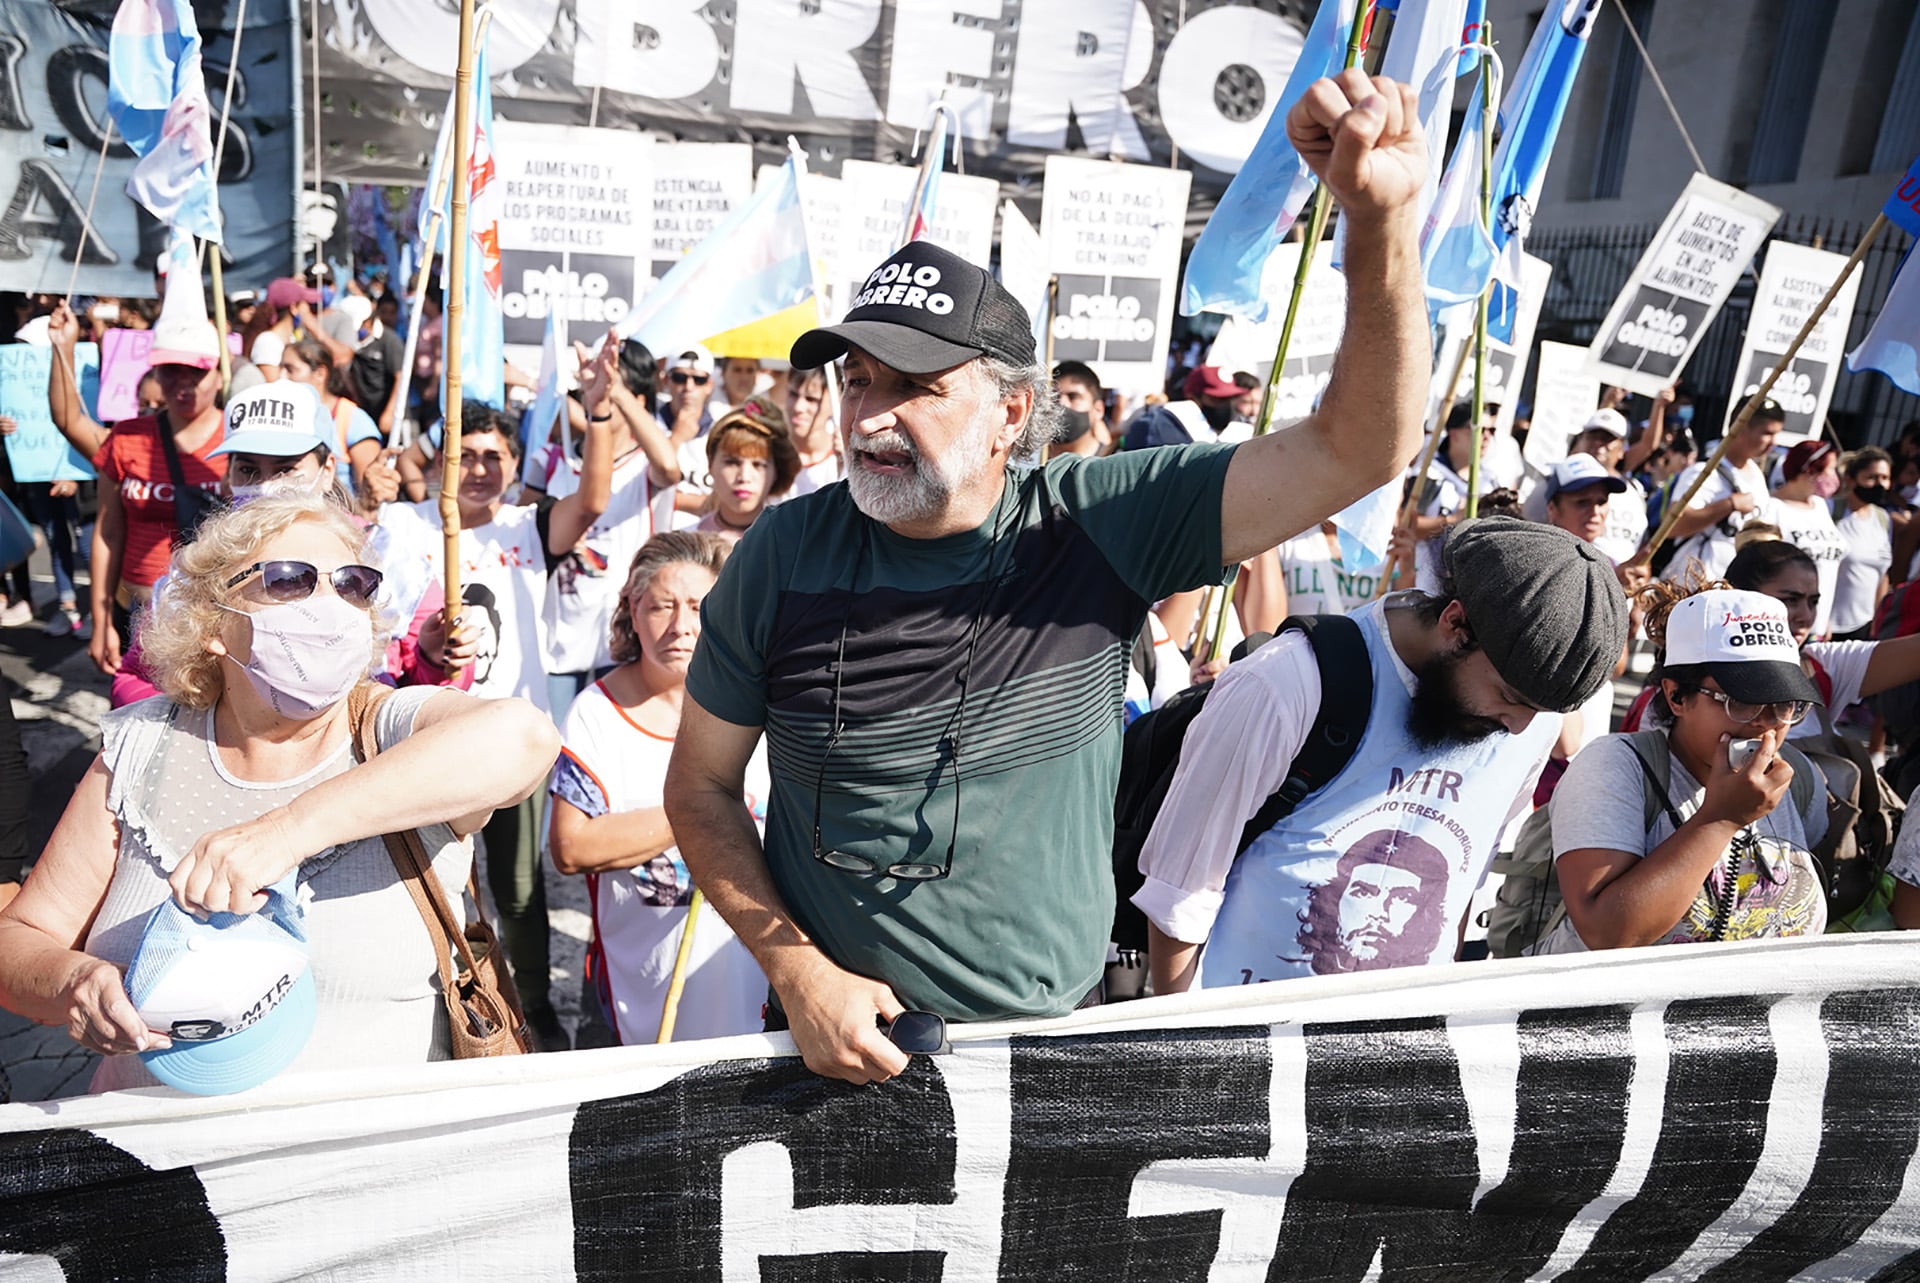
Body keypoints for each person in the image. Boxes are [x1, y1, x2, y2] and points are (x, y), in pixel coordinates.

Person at [665, 70, 1435, 1083]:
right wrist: (797, 967)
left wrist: (1378, 229)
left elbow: (1361, 448)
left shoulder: (1101, 520)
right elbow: (701, 786)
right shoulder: (783, 550)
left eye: (913, 385)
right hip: (831, 1052)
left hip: (1046, 1060)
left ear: (1012, 415)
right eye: (856, 381)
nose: (868, 416)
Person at [0, 493, 560, 1089]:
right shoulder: (141, 744)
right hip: (159, 1158)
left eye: (352, 584)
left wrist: (285, 831)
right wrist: (72, 983)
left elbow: (525, 737)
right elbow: (19, 940)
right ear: (213, 622)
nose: (329, 604)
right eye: (289, 580)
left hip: (369, 1162)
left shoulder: (390, 730)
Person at [1138, 518, 1627, 991]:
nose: (1518, 727)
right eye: (1510, 697)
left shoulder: (1532, 723)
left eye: (1539, 712)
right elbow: (1181, 897)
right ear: (1455, 623)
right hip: (1242, 1046)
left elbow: (1458, 891)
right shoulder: (1286, 682)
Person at [375, 400, 617, 1048]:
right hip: (429, 734)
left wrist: (599, 413)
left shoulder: (528, 525)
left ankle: (534, 1005)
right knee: (437, 879)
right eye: (466, 454)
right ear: (444, 458)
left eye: (494, 456)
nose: (478, 469)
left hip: (515, 739)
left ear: (514, 464)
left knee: (516, 886)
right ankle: (451, 1003)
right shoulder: (404, 524)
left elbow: (591, 500)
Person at [549, 533, 770, 1045]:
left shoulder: (765, 706)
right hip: (640, 987)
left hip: (750, 979)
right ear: (632, 607)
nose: (681, 626)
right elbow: (572, 846)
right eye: (661, 607)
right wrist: (699, 807)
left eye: (698, 606)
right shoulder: (597, 713)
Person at [1537, 585, 1829, 952]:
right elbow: (1606, 933)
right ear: (1677, 695)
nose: (1767, 723)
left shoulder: (1796, 777)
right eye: (1741, 701)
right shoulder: (1614, 768)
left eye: (1785, 703)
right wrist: (1721, 820)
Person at [536, 332, 681, 716]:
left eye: (613, 389)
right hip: (558, 640)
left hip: (623, 641)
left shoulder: (646, 466)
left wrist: (614, 392)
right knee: (553, 754)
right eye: (592, 388)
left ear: (639, 402)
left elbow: (670, 467)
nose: (596, 394)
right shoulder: (556, 461)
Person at [82, 307, 227, 681]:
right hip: (138, 614)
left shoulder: (242, 441)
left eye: (196, 371)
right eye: (170, 369)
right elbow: (107, 532)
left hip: (214, 621)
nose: (183, 383)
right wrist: (101, 620)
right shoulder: (127, 437)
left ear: (220, 374)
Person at [1658, 400, 1784, 581]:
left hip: (1735, 586)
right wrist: (1728, 504)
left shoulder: (1756, 473)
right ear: (1741, 427)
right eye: (1767, 433)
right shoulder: (1704, 471)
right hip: (1695, 586)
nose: (1773, 442)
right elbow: (1672, 526)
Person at [1766, 440, 1845, 638]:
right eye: (1830, 470)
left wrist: (1824, 619)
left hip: (1815, 626)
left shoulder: (1821, 506)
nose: (1834, 478)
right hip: (1783, 626)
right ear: (1810, 469)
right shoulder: (1771, 508)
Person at [281, 338, 382, 489]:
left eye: (290, 369)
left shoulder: (354, 420)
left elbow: (370, 493)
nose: (281, 377)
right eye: (280, 368)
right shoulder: (283, 416)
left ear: (320, 373)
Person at [693, 403, 800, 542]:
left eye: (758, 465)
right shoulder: (684, 542)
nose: (744, 477)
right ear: (711, 464)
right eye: (732, 462)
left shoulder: (792, 543)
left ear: (776, 472)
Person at [1832, 447, 1898, 640]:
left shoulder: (1883, 519)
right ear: (1851, 479)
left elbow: (1882, 575)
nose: (1880, 484)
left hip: (1864, 627)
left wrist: (1877, 621)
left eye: (1885, 478)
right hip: (1828, 625)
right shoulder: (1832, 512)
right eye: (1872, 477)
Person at [1122, 364, 1248, 449]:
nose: (1224, 405)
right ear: (1193, 397)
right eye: (1216, 399)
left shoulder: (1236, 434)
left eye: (1228, 398)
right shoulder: (1159, 429)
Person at [783, 365, 842, 496]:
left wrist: (845, 467)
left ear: (837, 400)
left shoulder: (844, 458)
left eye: (811, 399)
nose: (799, 407)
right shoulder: (770, 454)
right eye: (793, 394)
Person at [1049, 360, 1112, 459]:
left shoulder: (1112, 466)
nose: (1062, 403)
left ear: (1098, 410)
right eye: (1054, 396)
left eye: (1073, 396)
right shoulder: (1030, 465)